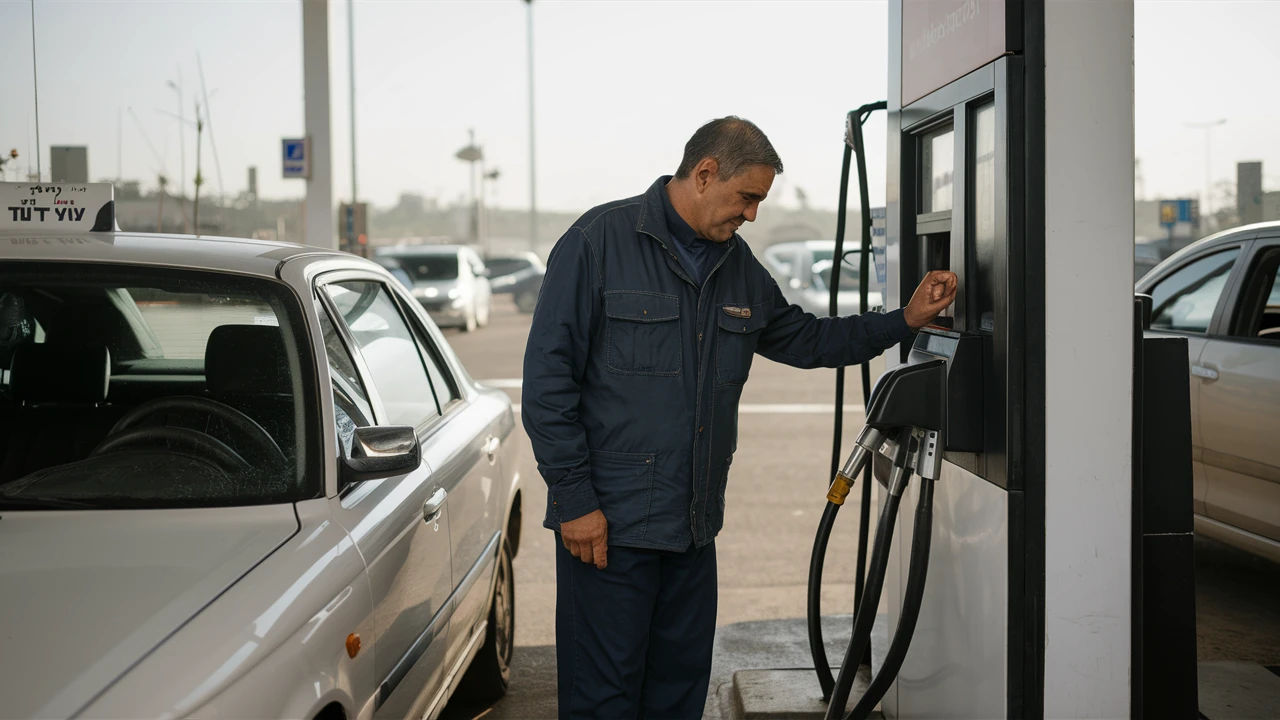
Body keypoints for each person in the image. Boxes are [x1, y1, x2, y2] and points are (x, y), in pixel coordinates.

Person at [522, 116, 957, 719]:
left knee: (678, 694)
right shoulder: (597, 243)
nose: (752, 214)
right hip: (608, 532)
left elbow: (808, 339)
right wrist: (574, 501)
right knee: (604, 700)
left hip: (692, 529)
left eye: (759, 202)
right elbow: (548, 384)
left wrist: (903, 321)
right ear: (705, 174)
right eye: (747, 197)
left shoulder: (736, 265)